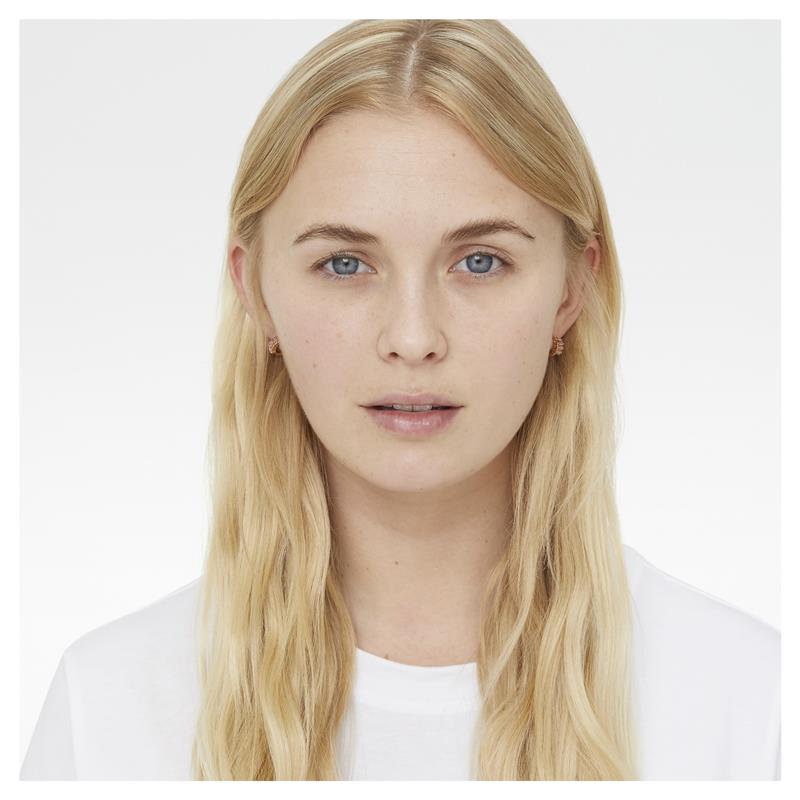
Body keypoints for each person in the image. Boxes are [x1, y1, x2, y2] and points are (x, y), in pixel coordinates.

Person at [21, 19, 780, 780]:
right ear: (255, 291)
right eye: (345, 264)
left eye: (479, 262)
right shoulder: (108, 711)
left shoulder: (754, 707)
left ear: (571, 290)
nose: (413, 339)